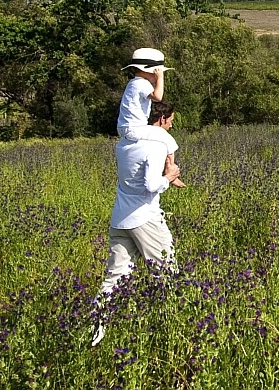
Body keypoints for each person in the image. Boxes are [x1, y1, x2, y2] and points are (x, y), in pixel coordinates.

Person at [92, 101, 185, 346]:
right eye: (171, 119)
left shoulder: (124, 144)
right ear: (162, 119)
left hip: (120, 219)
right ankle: (171, 327)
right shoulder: (154, 146)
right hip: (145, 218)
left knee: (115, 276)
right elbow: (152, 185)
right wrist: (170, 177)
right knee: (166, 272)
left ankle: (96, 326)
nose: (172, 123)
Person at [118, 47, 177, 173]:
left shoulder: (133, 83)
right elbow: (158, 97)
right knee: (167, 139)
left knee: (161, 138)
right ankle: (171, 170)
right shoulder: (142, 83)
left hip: (126, 127)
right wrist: (160, 79)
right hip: (136, 128)